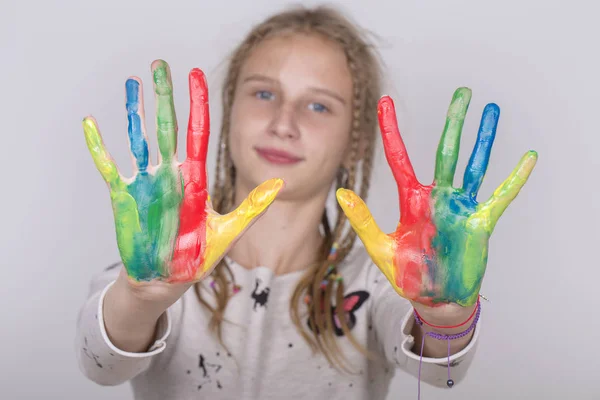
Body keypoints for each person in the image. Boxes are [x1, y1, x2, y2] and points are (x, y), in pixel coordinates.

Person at [76, 5, 537, 400]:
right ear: (229, 109)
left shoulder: (384, 280)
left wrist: (445, 314)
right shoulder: (157, 264)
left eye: (318, 106)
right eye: (263, 93)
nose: (283, 122)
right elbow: (103, 367)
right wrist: (142, 296)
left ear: (355, 141)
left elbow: (441, 373)